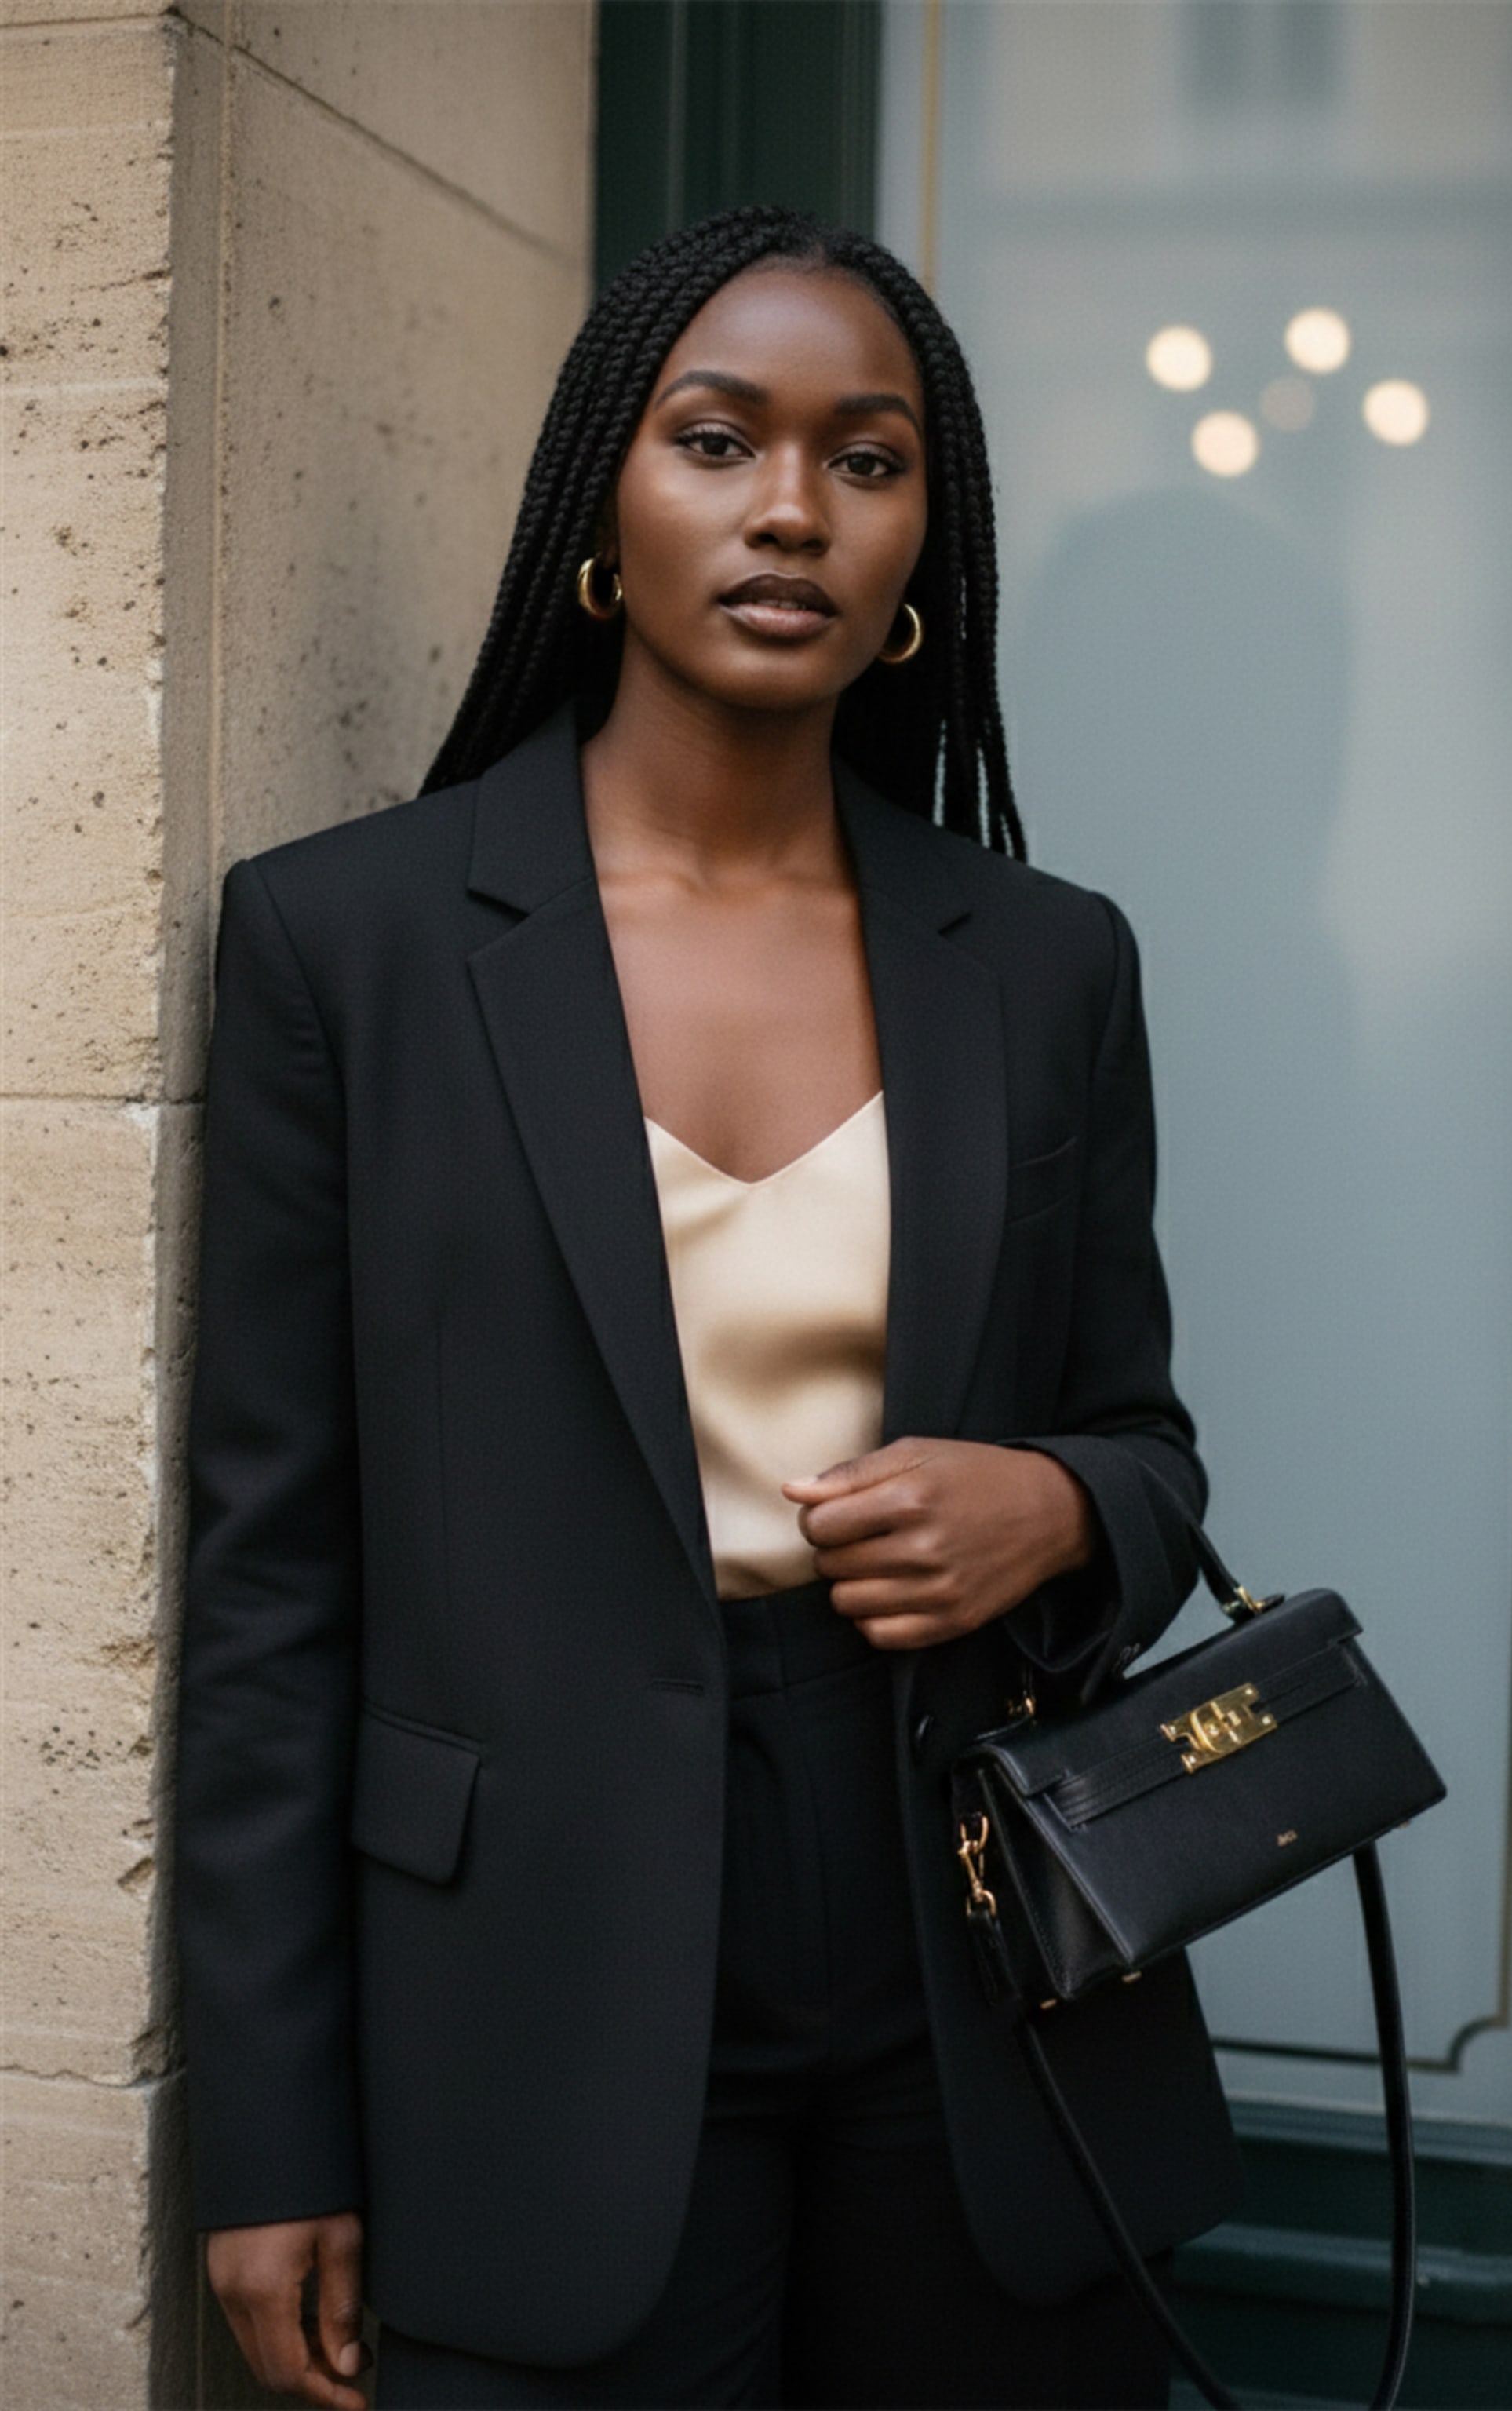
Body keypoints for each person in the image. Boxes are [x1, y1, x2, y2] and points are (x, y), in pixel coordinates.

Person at [176, 206, 1241, 2411]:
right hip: (520, 2012)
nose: (790, 508)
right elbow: (273, 1593)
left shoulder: (1047, 967)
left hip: (975, 1973)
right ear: (603, 507)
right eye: (718, 438)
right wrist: (271, 2135)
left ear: (926, 544)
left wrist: (1050, 1506)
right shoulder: (347, 944)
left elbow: (1145, 1446)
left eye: (869, 459)